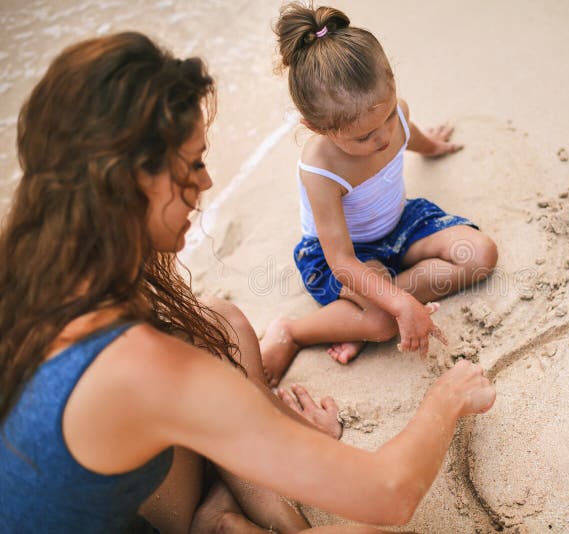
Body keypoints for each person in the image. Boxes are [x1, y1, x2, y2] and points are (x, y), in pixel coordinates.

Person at [0, 32, 496, 533]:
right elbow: (390, 493)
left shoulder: (33, 270)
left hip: (116, 497)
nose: (208, 182)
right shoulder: (140, 364)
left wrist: (293, 433)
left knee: (221, 319)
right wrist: (446, 399)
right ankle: (237, 512)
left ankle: (223, 507)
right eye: (193, 164)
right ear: (130, 184)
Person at [260, 3, 499, 387]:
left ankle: (357, 315)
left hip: (400, 223)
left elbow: (409, 134)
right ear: (316, 127)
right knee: (381, 322)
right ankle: (295, 331)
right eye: (364, 136)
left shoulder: (396, 116)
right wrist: (401, 304)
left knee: (480, 254)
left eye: (387, 115)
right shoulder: (320, 169)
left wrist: (433, 147)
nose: (384, 136)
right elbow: (341, 261)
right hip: (345, 255)